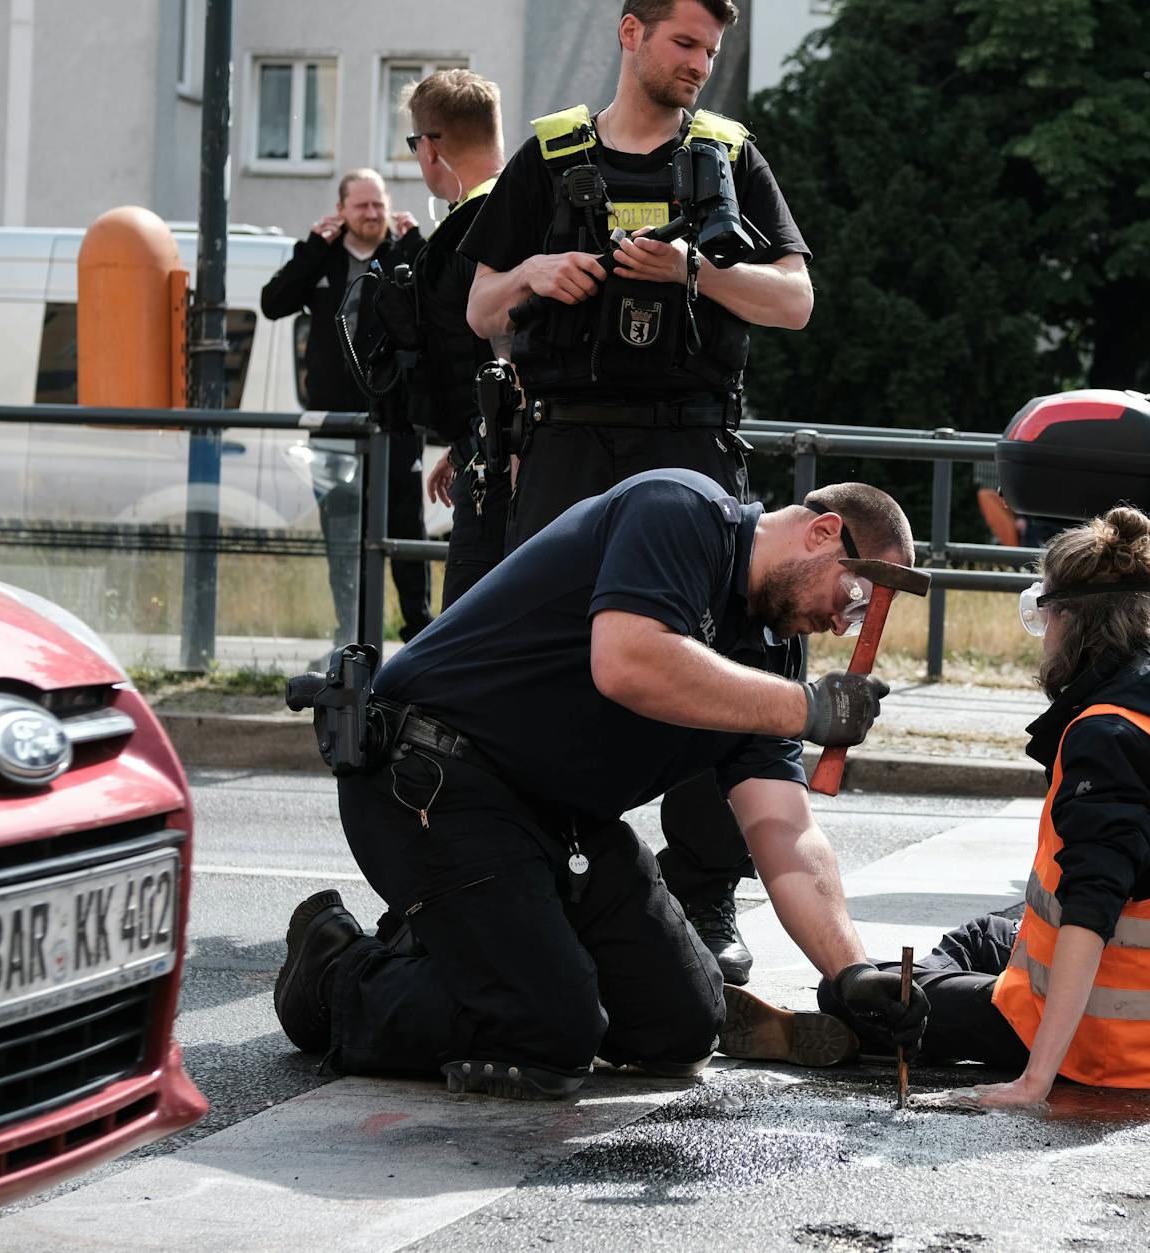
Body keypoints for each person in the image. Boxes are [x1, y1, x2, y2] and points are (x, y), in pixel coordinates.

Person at [272, 471, 930, 1099]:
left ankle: (489, 949)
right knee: (548, 1037)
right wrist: (806, 709)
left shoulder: (772, 656)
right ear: (822, 532)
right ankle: (336, 970)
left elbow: (784, 828)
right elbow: (627, 659)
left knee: (682, 1031)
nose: (843, 626)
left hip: (558, 818)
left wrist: (851, 970)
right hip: (436, 782)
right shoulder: (681, 512)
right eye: (854, 600)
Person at [457, 0, 814, 984]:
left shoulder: (730, 155)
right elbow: (480, 304)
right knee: (547, 665)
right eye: (683, 42)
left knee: (708, 667)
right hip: (567, 448)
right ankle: (543, 880)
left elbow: (794, 299)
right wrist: (538, 268)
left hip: (691, 444)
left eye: (710, 48)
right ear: (629, 31)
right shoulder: (550, 153)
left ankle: (702, 893)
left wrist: (696, 269)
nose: (699, 63)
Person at [720, 507, 1150, 1107]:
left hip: (1116, 1041)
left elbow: (1090, 915)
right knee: (988, 933)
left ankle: (898, 1022)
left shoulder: (1110, 735)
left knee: (856, 994)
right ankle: (956, 986)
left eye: (1044, 616)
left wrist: (1033, 1083)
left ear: (1069, 618)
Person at [260, 169, 433, 653]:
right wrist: (313, 249)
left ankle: (419, 635)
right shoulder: (321, 258)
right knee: (342, 533)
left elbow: (437, 302)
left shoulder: (402, 254)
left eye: (379, 204)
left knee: (406, 530)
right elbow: (273, 303)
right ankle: (353, 638)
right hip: (335, 424)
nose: (373, 214)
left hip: (396, 420)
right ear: (341, 210)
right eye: (362, 206)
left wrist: (417, 242)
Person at [394, 69, 512, 608]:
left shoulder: (475, 226)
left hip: (502, 463)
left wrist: (493, 442)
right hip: (493, 448)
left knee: (465, 632)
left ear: (429, 148)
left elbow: (514, 343)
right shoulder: (514, 206)